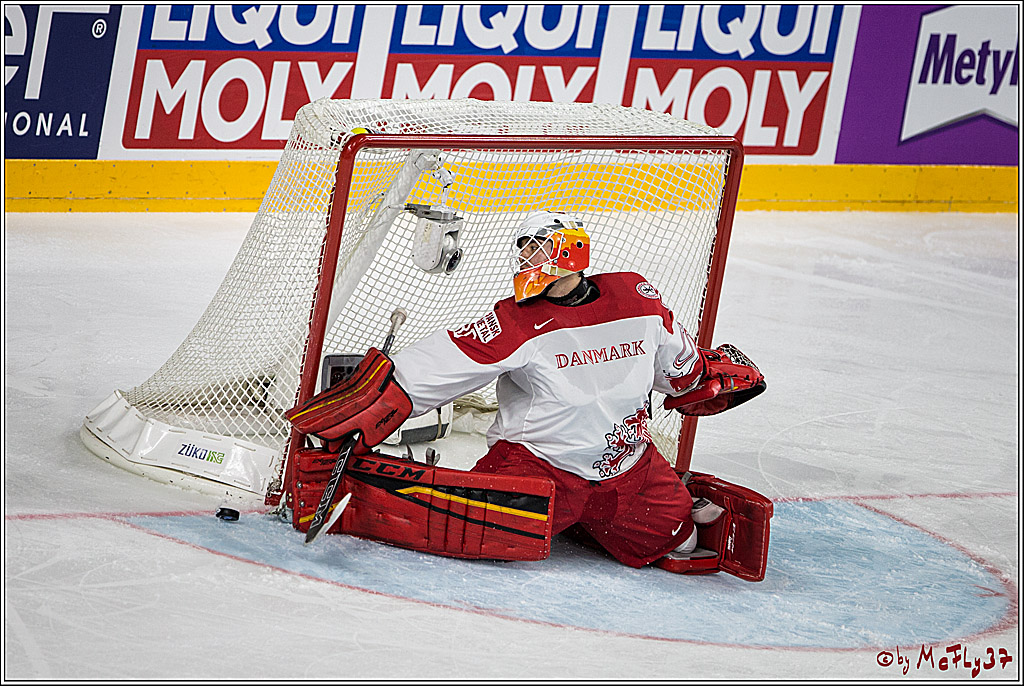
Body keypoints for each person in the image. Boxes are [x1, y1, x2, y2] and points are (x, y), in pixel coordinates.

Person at [381, 210, 765, 568]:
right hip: (540, 465)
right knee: (464, 530)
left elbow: (680, 372)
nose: (526, 257)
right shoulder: (516, 320)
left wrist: (704, 379)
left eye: (536, 245)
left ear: (569, 251)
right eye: (523, 248)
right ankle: (576, 515)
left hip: (625, 467)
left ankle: (590, 516)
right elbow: (447, 362)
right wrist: (383, 390)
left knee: (682, 542)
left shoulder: (637, 300)